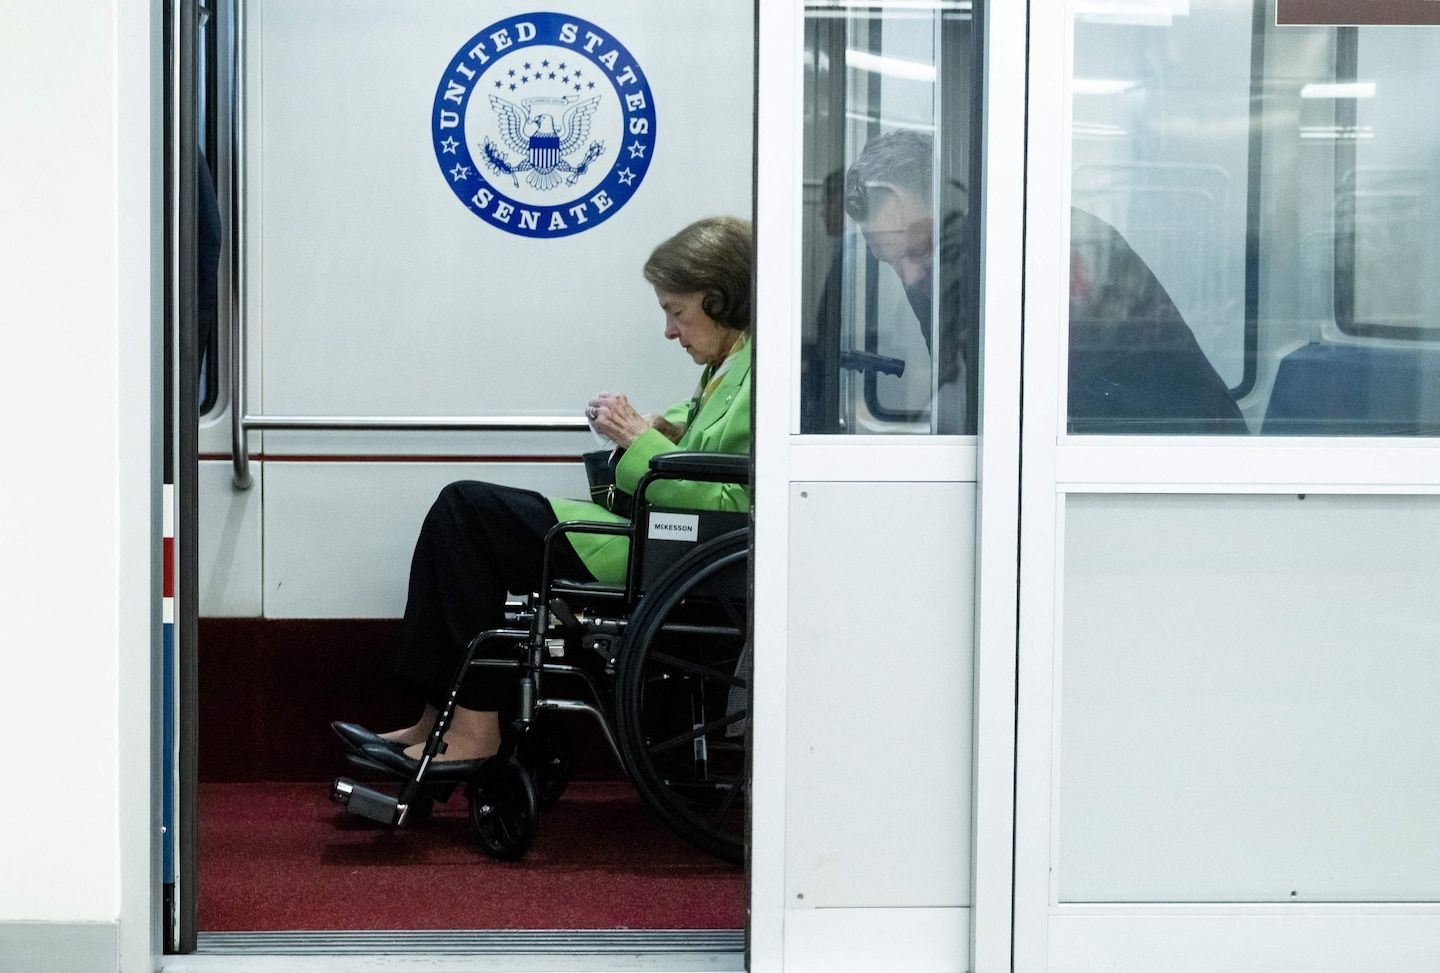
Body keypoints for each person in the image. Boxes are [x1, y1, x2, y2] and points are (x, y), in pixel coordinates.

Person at [332, 216, 753, 774]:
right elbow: (694, 430)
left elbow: (728, 501)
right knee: (458, 514)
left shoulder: (760, 373)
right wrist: (655, 427)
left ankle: (475, 727)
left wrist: (637, 438)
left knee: (466, 512)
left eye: (676, 311)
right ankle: (440, 716)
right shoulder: (727, 366)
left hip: (678, 551)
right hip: (658, 537)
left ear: (719, 300)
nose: (670, 332)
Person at [843, 130, 1246, 434]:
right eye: (889, 260)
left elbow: (1042, 406)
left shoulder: (1056, 251)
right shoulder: (930, 272)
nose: (910, 277)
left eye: (921, 249)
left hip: (1171, 448)